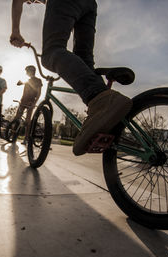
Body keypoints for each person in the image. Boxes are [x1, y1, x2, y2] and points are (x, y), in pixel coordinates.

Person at [10, 0, 132, 156]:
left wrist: (15, 31)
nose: (30, 2)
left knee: (51, 53)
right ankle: (101, 107)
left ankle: (100, 100)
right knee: (84, 59)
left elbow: (16, 1)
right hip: (89, 5)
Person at [14, 65, 42, 145]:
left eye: (27, 71)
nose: (26, 73)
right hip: (23, 101)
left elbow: (39, 93)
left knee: (27, 121)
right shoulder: (27, 80)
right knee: (17, 117)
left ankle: (26, 139)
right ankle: (13, 136)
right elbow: (19, 83)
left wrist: (34, 103)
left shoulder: (38, 80)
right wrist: (20, 82)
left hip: (30, 102)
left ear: (31, 71)